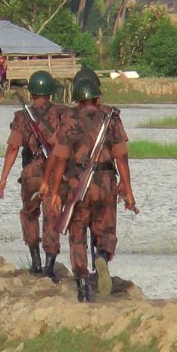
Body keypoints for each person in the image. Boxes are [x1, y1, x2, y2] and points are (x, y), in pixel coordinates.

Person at [45, 80, 137, 302]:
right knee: (106, 230)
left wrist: (55, 191)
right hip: (106, 182)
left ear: (77, 100)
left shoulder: (68, 121)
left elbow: (60, 160)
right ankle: (103, 256)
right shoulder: (112, 119)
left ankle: (83, 287)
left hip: (77, 184)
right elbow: (121, 157)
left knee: (77, 236)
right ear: (97, 99)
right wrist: (129, 190)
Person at [0, 70, 66, 279]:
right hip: (55, 174)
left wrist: (3, 179)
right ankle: (50, 266)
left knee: (29, 215)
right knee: (53, 216)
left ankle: (35, 261)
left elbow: (13, 148)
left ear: (32, 92)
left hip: (31, 174)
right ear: (51, 92)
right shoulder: (63, 114)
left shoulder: (22, 117)